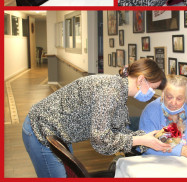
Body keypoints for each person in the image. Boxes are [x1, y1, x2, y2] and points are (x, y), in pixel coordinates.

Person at [21, 59, 171, 177]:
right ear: (141, 80)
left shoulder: (118, 88)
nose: (152, 93)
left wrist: (146, 138)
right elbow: (101, 139)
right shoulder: (110, 92)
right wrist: (141, 140)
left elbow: (117, 130)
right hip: (41, 129)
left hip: (58, 131)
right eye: (152, 88)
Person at [139, 75, 187, 158]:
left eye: (179, 99)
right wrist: (180, 150)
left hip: (186, 162)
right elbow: (146, 146)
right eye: (169, 97)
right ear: (163, 94)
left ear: (186, 98)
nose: (173, 102)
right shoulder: (151, 110)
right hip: (159, 162)